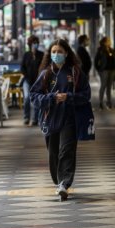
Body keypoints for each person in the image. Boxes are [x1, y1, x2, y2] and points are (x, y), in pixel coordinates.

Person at [30, 39, 91, 201]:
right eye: (54, 52)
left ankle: (64, 183)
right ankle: (58, 182)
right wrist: (51, 98)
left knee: (67, 150)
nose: (57, 55)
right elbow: (34, 97)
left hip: (70, 118)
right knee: (53, 153)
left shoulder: (76, 73)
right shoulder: (45, 74)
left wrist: (69, 97)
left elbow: (86, 95)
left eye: (60, 52)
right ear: (50, 54)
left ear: (66, 53)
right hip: (50, 119)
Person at [20, 35, 44, 126]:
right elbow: (22, 67)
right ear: (30, 44)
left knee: (36, 99)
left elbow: (43, 67)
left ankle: (35, 119)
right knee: (26, 98)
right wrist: (26, 76)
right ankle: (26, 117)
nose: (35, 45)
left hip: (38, 81)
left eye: (36, 43)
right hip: (27, 80)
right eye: (33, 43)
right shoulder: (26, 55)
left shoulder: (41, 55)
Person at [94, 36, 115, 110]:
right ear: (104, 42)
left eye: (109, 41)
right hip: (104, 70)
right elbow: (96, 61)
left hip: (112, 70)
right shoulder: (100, 50)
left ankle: (109, 102)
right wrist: (99, 69)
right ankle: (100, 102)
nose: (109, 42)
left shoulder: (112, 50)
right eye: (108, 41)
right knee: (103, 85)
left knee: (109, 87)